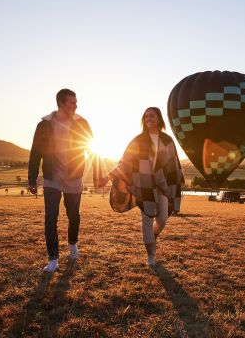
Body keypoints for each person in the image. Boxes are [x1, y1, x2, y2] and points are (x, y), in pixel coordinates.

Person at [98, 107, 184, 266]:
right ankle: (151, 255)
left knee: (163, 219)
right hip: (143, 185)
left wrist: (176, 185)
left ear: (159, 119)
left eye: (151, 116)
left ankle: (153, 235)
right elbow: (125, 162)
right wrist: (107, 177)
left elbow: (174, 164)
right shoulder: (138, 140)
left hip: (162, 185)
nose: (148, 118)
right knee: (147, 218)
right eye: (145, 116)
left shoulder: (167, 140)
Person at [28, 88, 99, 273]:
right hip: (52, 178)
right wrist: (31, 178)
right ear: (61, 103)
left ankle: (73, 244)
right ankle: (53, 259)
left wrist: (98, 175)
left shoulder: (82, 123)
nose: (76, 105)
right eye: (72, 102)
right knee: (50, 218)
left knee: (73, 215)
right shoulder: (44, 125)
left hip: (74, 177)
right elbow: (35, 152)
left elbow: (92, 149)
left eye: (76, 102)